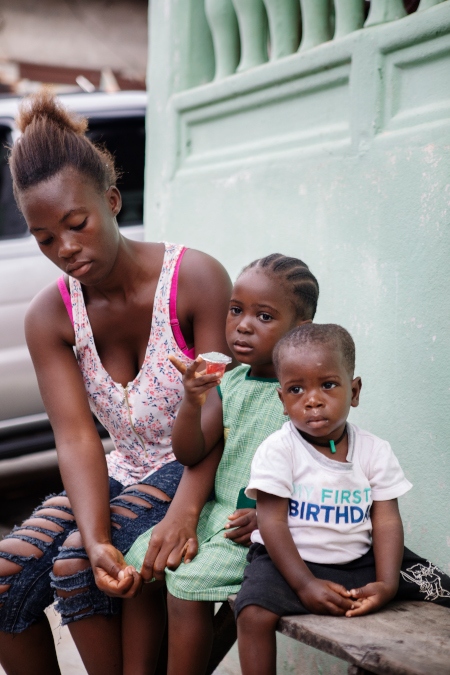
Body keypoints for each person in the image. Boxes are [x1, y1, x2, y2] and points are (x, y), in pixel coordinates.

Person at [0, 90, 235, 675]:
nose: (66, 248)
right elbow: (77, 437)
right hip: (124, 470)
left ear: (111, 201)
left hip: (199, 462)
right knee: (6, 577)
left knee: (76, 564)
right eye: (45, 239)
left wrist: (184, 510)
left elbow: (222, 416)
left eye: (76, 224)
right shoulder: (51, 316)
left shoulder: (194, 279)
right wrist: (98, 530)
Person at [125, 253, 320, 675]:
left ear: (299, 330)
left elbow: (321, 468)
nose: (243, 325)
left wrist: (274, 517)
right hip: (214, 517)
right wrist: (193, 402)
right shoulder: (229, 381)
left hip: (256, 529)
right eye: (236, 310)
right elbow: (190, 452)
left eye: (264, 316)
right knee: (141, 563)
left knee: (188, 586)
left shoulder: (304, 396)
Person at [234, 323, 450, 675]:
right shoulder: (279, 449)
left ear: (354, 391)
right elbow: (271, 522)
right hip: (292, 560)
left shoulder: (374, 450)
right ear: (283, 401)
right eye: (296, 389)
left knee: (439, 585)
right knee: (252, 612)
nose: (313, 399)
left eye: (328, 385)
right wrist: (304, 584)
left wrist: (386, 583)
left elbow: (385, 520)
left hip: (359, 557)